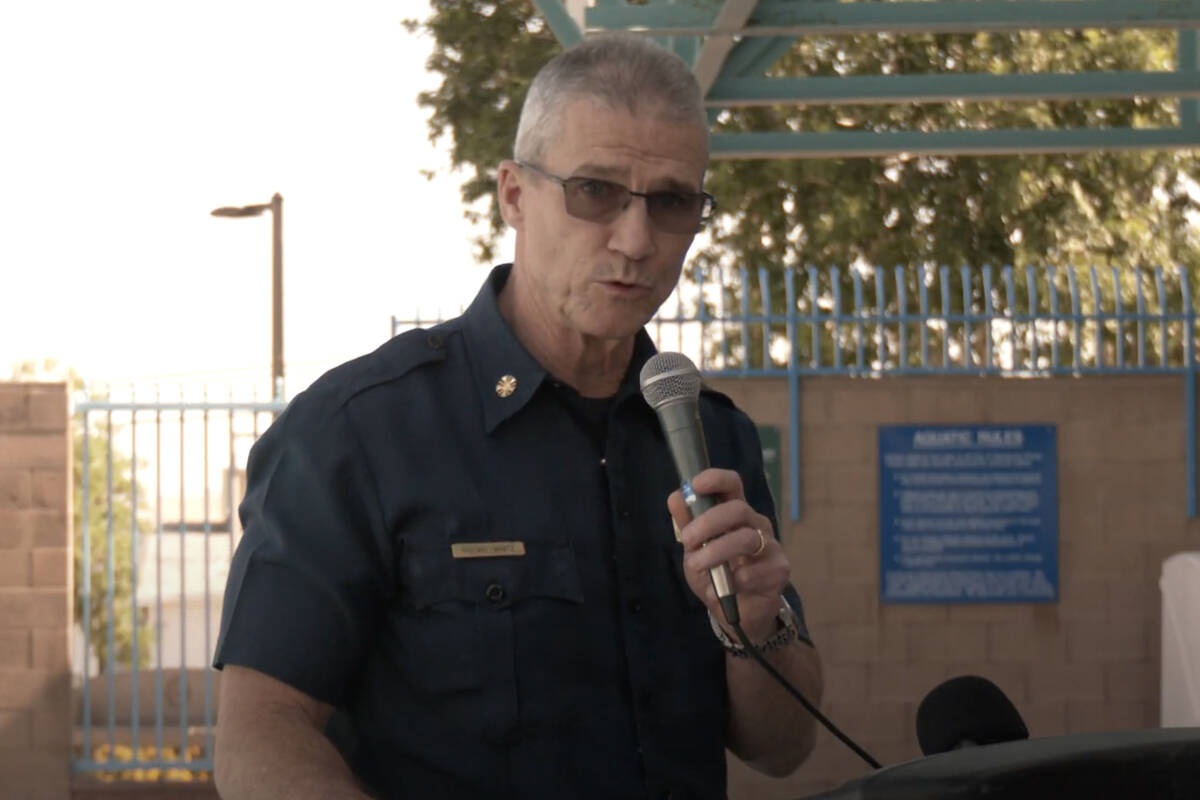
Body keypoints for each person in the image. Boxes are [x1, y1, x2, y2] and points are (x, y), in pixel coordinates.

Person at [212, 33, 823, 800]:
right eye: (595, 191)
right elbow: (258, 735)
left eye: (671, 202)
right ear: (514, 196)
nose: (636, 241)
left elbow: (783, 746)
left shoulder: (709, 436)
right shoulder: (357, 433)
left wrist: (756, 629)